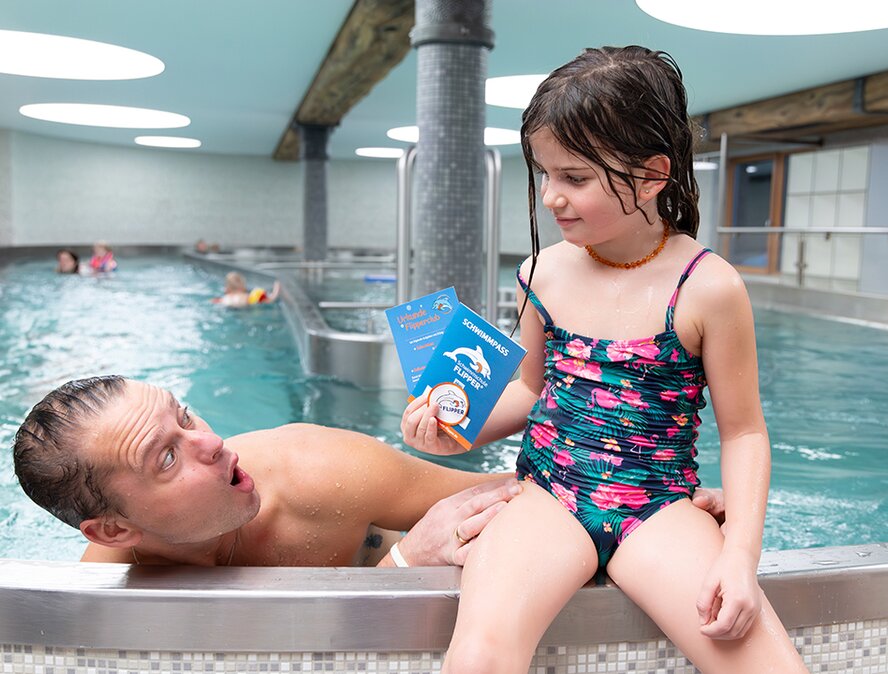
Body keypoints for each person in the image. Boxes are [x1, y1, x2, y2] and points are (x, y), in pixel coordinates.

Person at [401, 46, 808, 673]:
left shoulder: (707, 286)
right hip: (549, 495)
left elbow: (746, 430)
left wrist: (739, 555)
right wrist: (454, 427)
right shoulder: (542, 271)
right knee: (481, 652)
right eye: (544, 175)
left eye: (574, 178)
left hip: (657, 505)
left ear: (650, 176)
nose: (549, 198)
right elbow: (532, 390)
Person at [12, 376, 727, 569]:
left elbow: (524, 497)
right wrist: (405, 564)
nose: (211, 442)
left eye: (187, 415)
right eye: (166, 456)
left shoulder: (321, 470)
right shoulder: (109, 587)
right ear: (114, 527)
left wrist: (663, 506)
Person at [212, 271, 281, 308]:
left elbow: (213, 302)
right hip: (243, 306)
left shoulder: (224, 298)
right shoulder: (248, 297)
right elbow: (271, 299)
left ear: (227, 289)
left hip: (227, 306)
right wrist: (276, 287)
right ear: (243, 286)